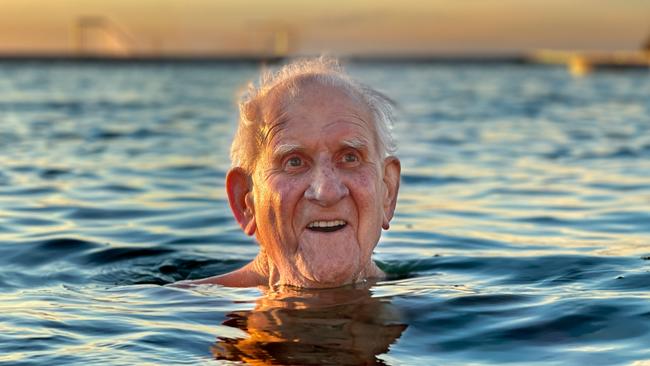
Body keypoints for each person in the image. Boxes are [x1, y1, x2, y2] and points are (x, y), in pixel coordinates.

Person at [184, 57, 400, 288]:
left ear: (387, 191)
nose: (327, 192)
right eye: (294, 162)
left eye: (350, 158)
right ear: (245, 202)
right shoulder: (185, 312)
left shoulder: (423, 306)